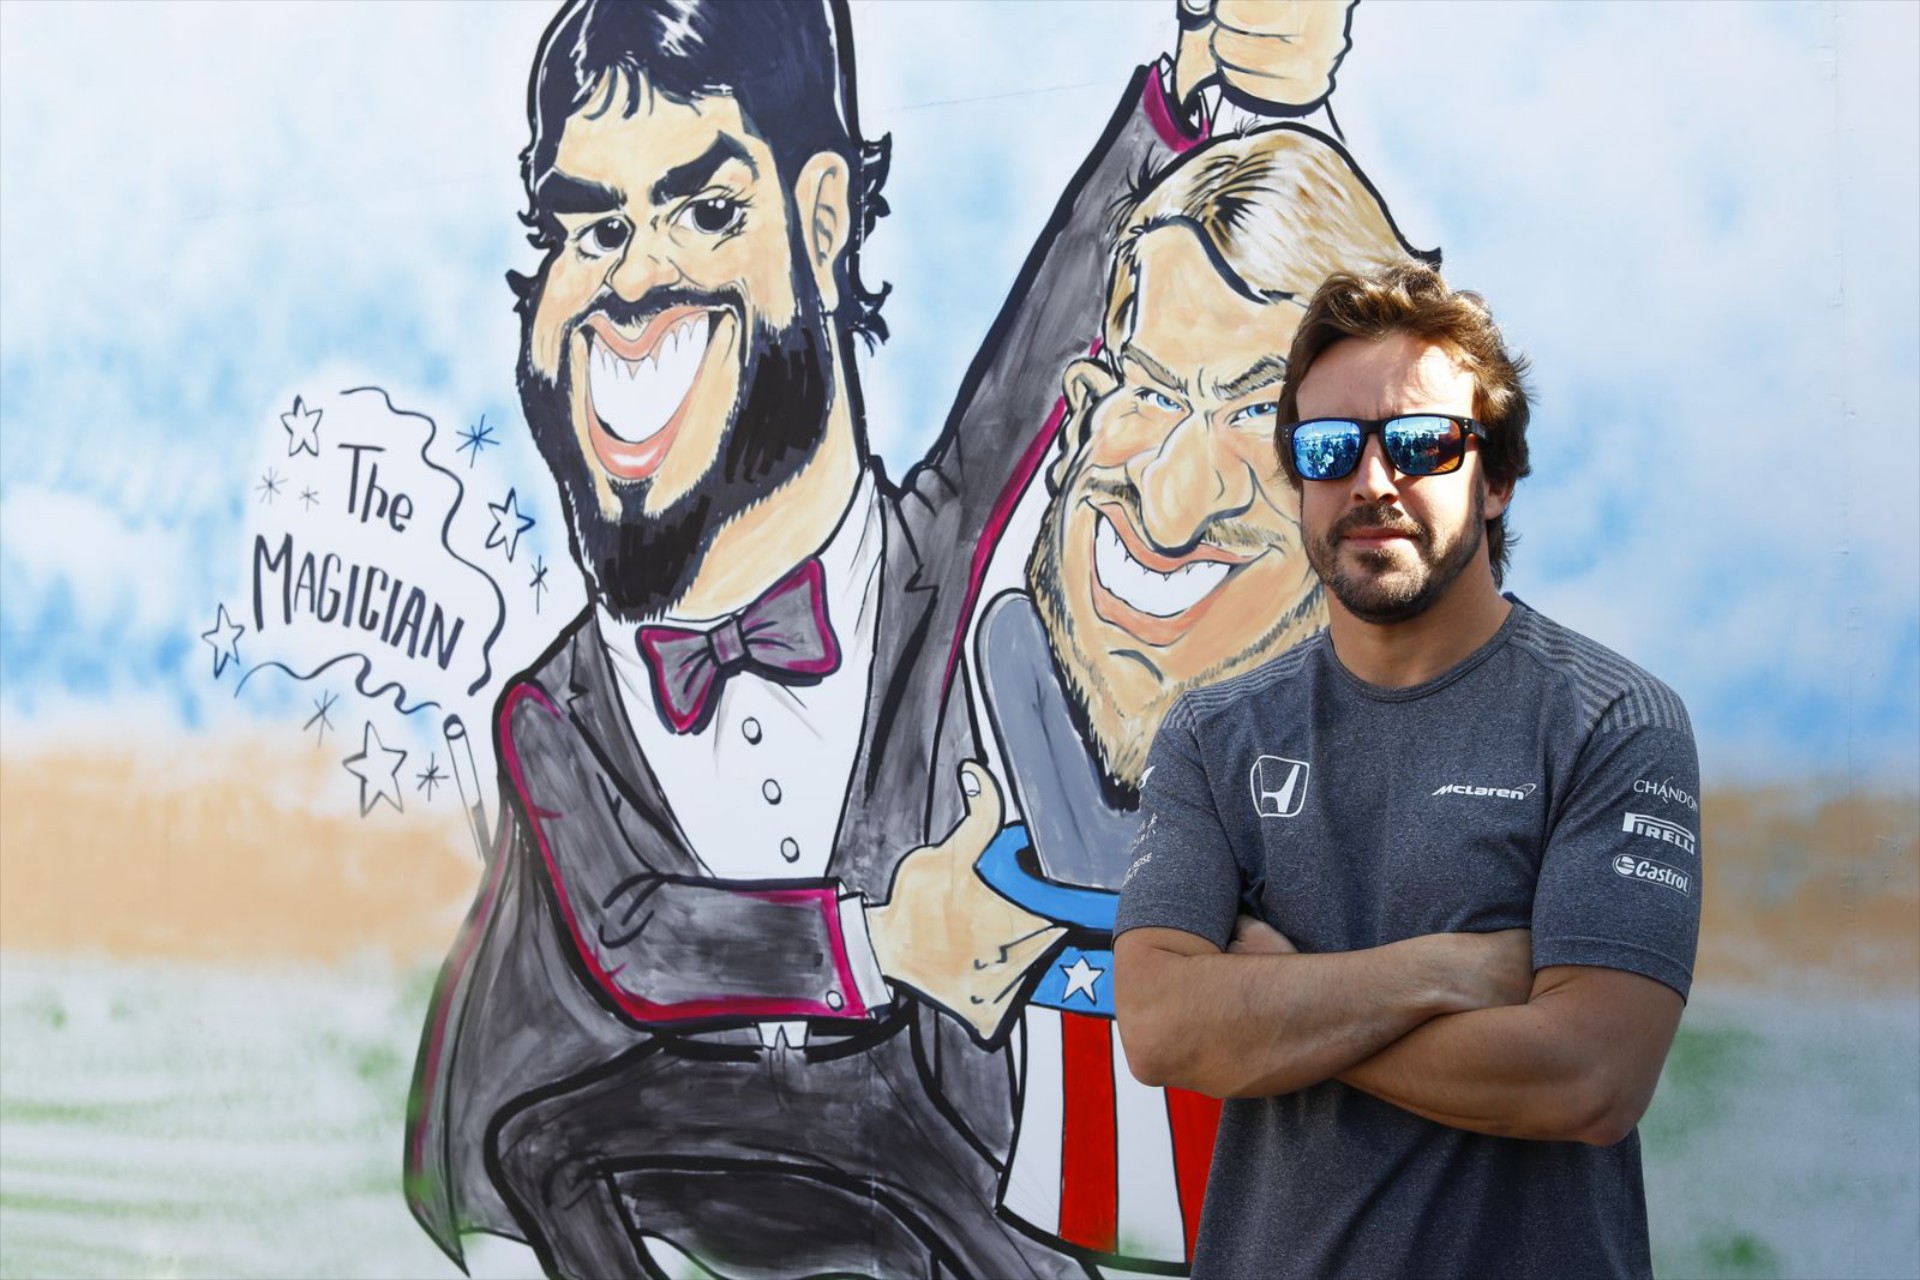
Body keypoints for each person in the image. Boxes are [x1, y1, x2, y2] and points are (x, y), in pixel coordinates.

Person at [403, 1, 1328, 1275]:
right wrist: (883, 940)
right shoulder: (553, 711)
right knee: (548, 1145)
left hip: (926, 1169)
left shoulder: (944, 582)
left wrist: (1195, 90)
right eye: (593, 228)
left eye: (704, 208)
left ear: (823, 215)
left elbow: (1046, 339)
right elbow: (637, 938)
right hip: (656, 1162)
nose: (632, 282)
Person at [1112, 260, 1701, 1279]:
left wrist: (1274, 1002)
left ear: (1497, 477)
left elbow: (1589, 1077)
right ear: (1300, 482)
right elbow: (1163, 1027)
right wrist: (1447, 973)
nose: (1372, 481)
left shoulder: (1611, 722)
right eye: (1331, 447)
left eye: (1424, 443)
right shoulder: (1215, 735)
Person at [970, 123, 1422, 1270]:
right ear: (1085, 403)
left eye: (1257, 419)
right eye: (1151, 391)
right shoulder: (1013, 668)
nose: (1171, 506)